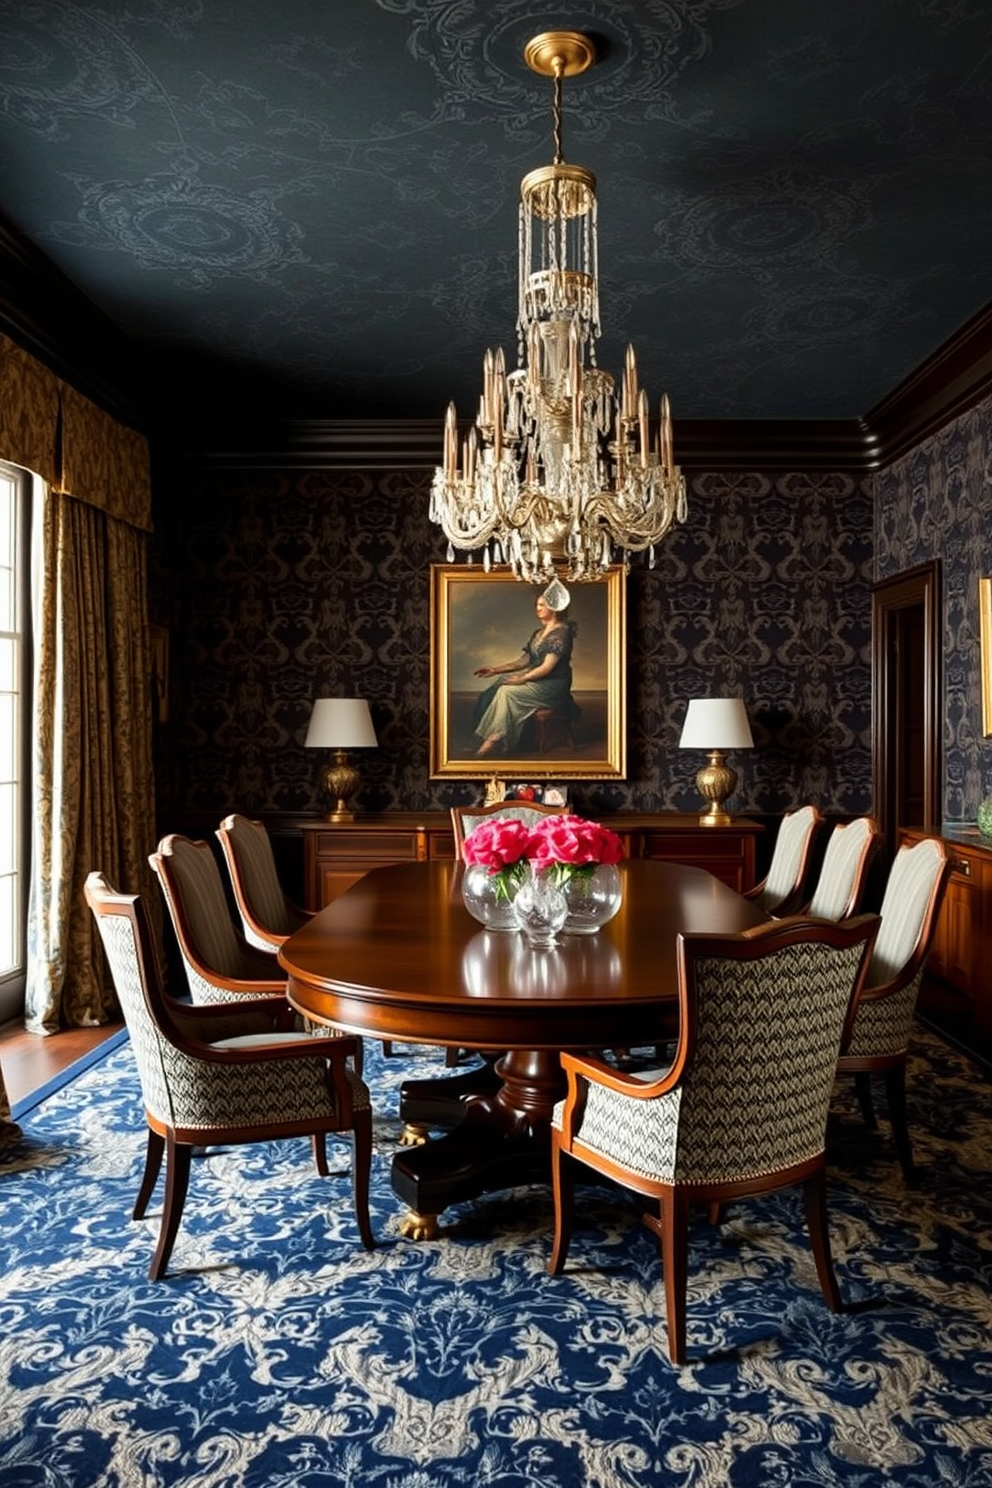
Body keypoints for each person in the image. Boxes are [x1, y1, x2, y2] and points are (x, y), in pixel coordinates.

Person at [472, 577, 579, 756]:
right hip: (538, 680)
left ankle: (493, 740)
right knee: (502, 683)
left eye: (542, 605)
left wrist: (522, 679)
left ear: (554, 608)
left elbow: (547, 668)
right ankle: (496, 736)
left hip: (552, 686)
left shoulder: (561, 633)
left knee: (507, 691)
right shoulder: (538, 633)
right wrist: (495, 669)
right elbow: (523, 661)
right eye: (537, 604)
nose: (537, 608)